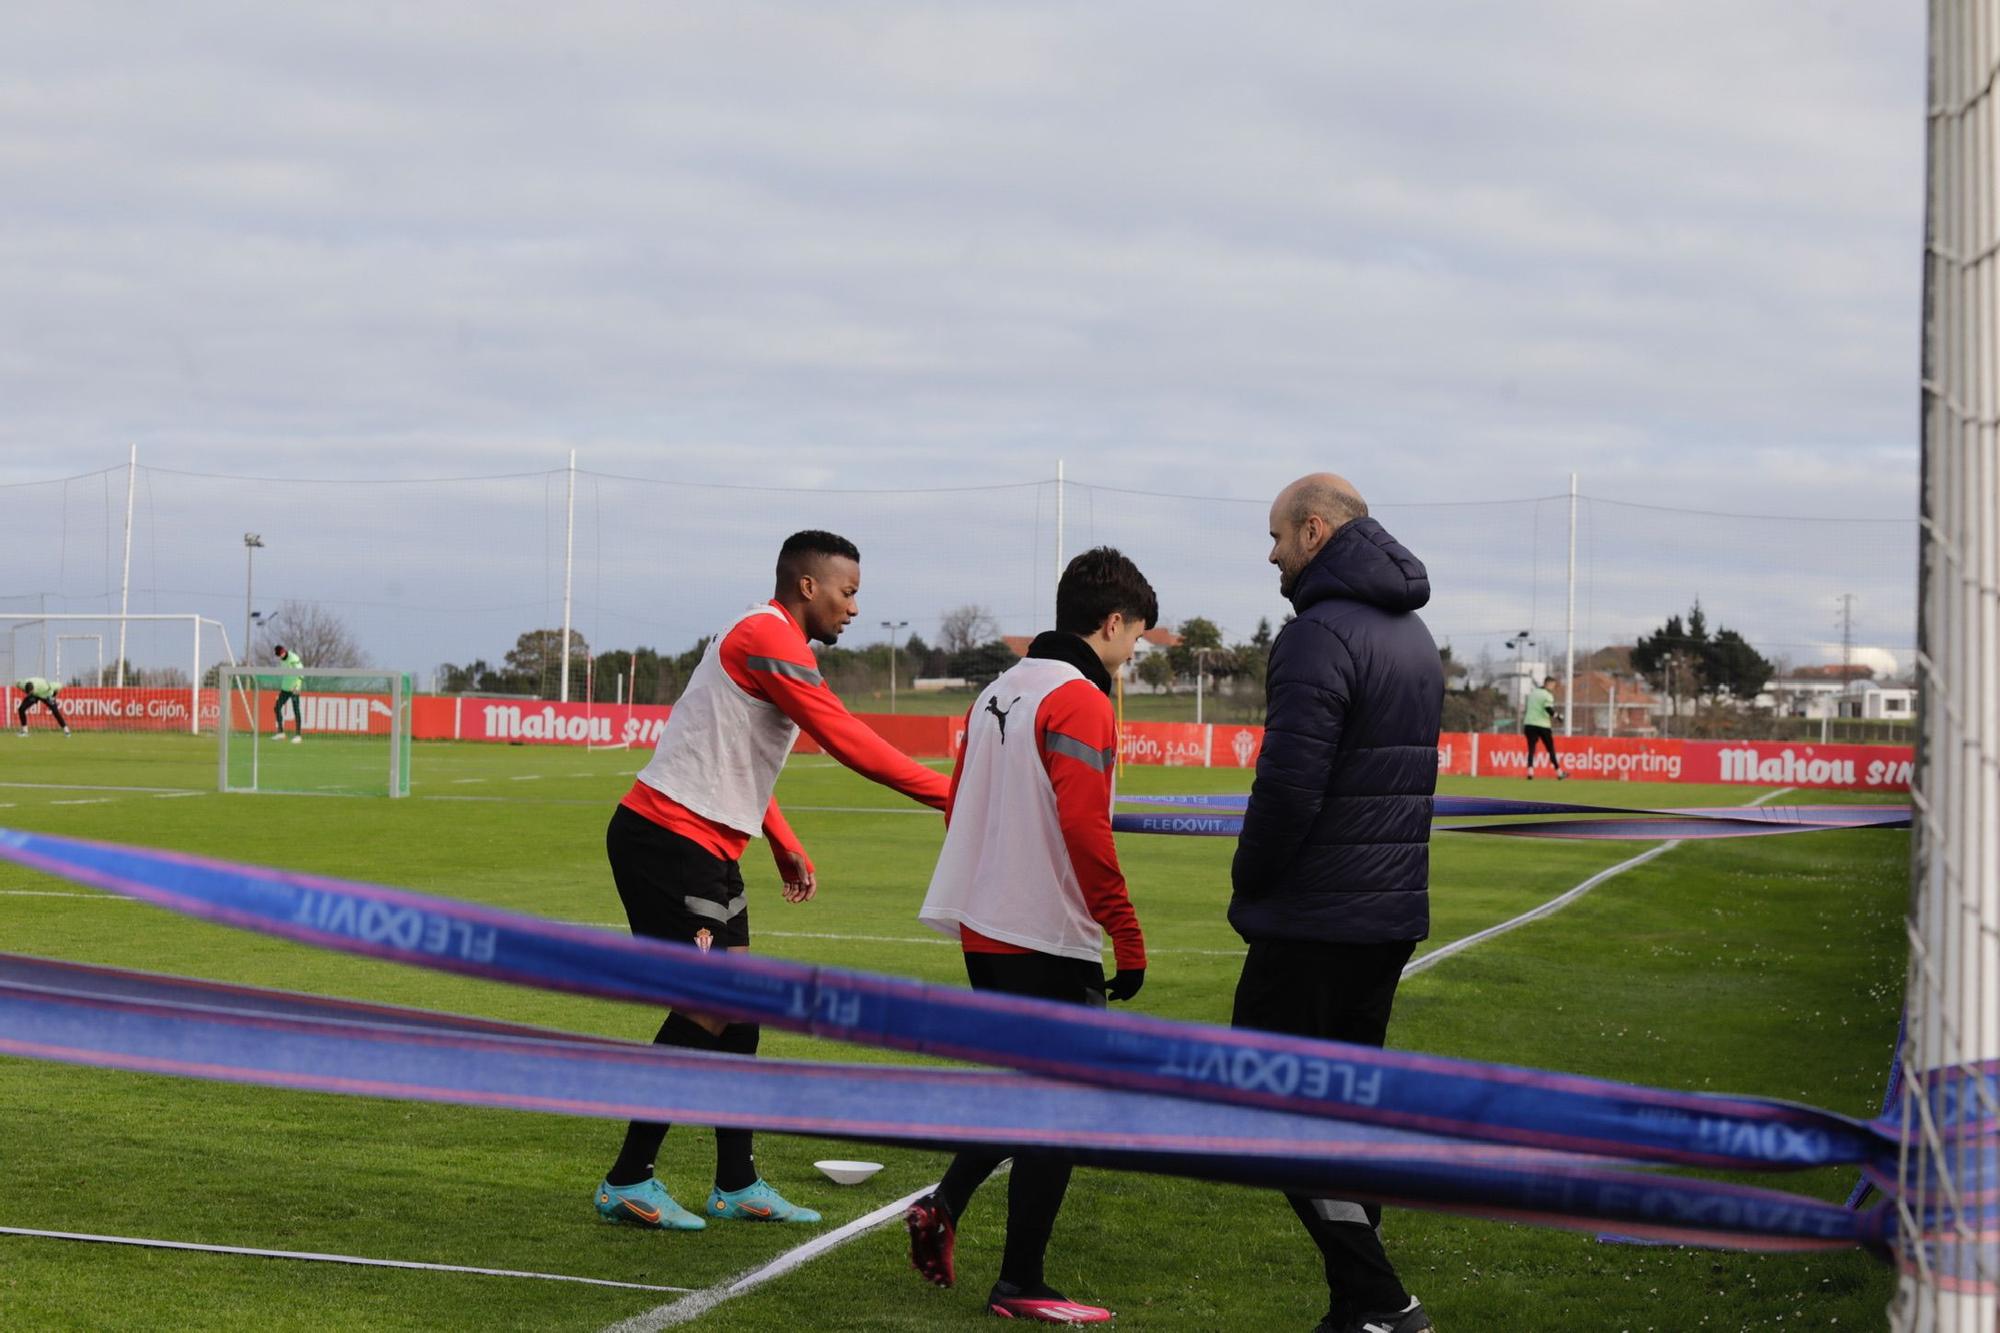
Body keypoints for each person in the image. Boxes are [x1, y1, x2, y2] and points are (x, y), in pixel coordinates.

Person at [594, 529, 951, 1233]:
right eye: (848, 592)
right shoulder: (767, 634)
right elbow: (845, 735)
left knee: (741, 1006)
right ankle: (627, 1178)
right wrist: (948, 793)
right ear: (809, 586)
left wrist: (780, 839)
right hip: (665, 839)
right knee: (707, 1008)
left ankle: (735, 1182)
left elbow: (736, 753)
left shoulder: (771, 639)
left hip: (705, 844)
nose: (854, 608)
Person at [905, 546, 1156, 1326]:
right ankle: (1022, 1281)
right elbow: (1085, 825)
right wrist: (1127, 932)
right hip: (1047, 932)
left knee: (1029, 1092)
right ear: (1111, 623)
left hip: (985, 927)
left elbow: (957, 805)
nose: (1133, 653)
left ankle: (944, 1203)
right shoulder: (1082, 697)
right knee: (1064, 1107)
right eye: (1135, 639)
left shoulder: (995, 691)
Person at [1230, 474, 1442, 1333]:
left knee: (1263, 1098)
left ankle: (1386, 1299)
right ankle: (1359, 1306)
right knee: (1346, 1112)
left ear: (1315, 531)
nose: (1272, 553)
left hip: (1318, 914)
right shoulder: (1415, 632)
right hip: (1387, 915)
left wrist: (1250, 878)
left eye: (1278, 535)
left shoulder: (1317, 635)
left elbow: (1289, 787)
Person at [1522, 674, 1566, 780]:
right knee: (1550, 749)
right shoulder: (1547, 695)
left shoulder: (1533, 693)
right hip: (1543, 725)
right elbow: (1548, 709)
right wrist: (1558, 716)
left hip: (1529, 724)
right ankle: (1559, 772)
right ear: (1548, 684)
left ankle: (1530, 771)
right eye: (1553, 685)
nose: (1553, 688)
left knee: (1531, 748)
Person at [271, 645, 305, 744]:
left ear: (284, 651)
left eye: (282, 653)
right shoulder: (282, 661)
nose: (281, 656)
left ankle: (298, 735)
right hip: (285, 688)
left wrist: (297, 686)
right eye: (279, 655)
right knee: (277, 707)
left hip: (294, 688)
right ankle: (281, 733)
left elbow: (301, 672)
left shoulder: (293, 658)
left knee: (296, 709)